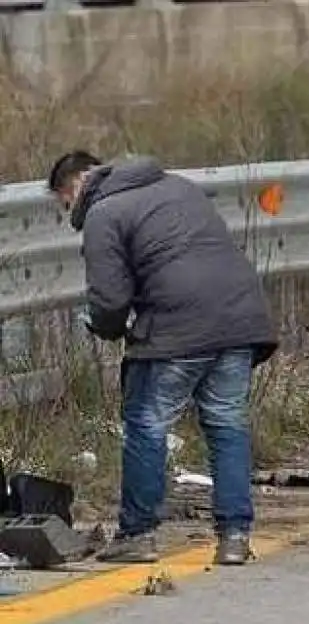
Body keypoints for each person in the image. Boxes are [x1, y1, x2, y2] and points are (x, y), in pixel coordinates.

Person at [47, 151, 279, 565]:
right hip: (241, 319)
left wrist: (105, 328)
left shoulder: (104, 212)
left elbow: (110, 300)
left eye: (65, 199)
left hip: (178, 327)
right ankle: (235, 537)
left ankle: (138, 535)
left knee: (146, 425)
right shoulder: (180, 186)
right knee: (226, 424)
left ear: (79, 181)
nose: (69, 209)